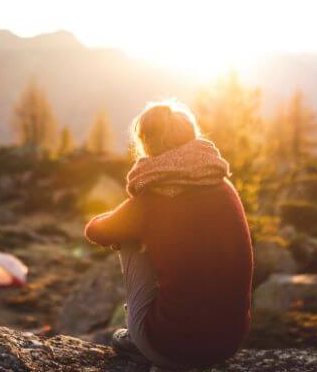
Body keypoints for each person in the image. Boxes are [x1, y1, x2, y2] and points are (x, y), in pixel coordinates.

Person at [83, 101, 253, 370]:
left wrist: (129, 219)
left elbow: (96, 231)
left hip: (171, 349)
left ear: (147, 143)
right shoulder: (223, 184)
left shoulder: (153, 196)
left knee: (127, 237)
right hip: (227, 343)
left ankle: (139, 334)